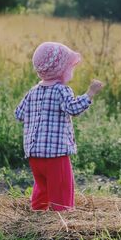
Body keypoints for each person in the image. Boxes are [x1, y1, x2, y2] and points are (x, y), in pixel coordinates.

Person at [14, 41, 104, 211]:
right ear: (60, 69)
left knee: (42, 188)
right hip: (55, 154)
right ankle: (60, 223)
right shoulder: (61, 90)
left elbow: (19, 114)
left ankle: (37, 215)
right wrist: (90, 93)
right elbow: (73, 109)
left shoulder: (33, 91)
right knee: (61, 190)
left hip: (34, 154)